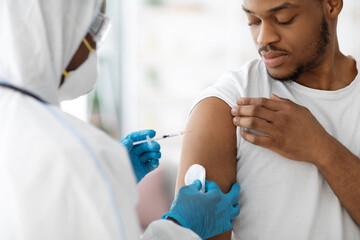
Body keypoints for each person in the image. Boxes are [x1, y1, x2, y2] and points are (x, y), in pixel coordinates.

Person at [0, 0, 241, 239]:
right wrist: (181, 225)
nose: (95, 44)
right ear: (60, 28)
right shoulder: (73, 154)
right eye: (96, 28)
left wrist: (108, 185)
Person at [175, 0, 360, 239]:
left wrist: (321, 148)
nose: (264, 38)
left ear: (332, 4)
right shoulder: (226, 106)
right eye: (253, 21)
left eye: (284, 19)